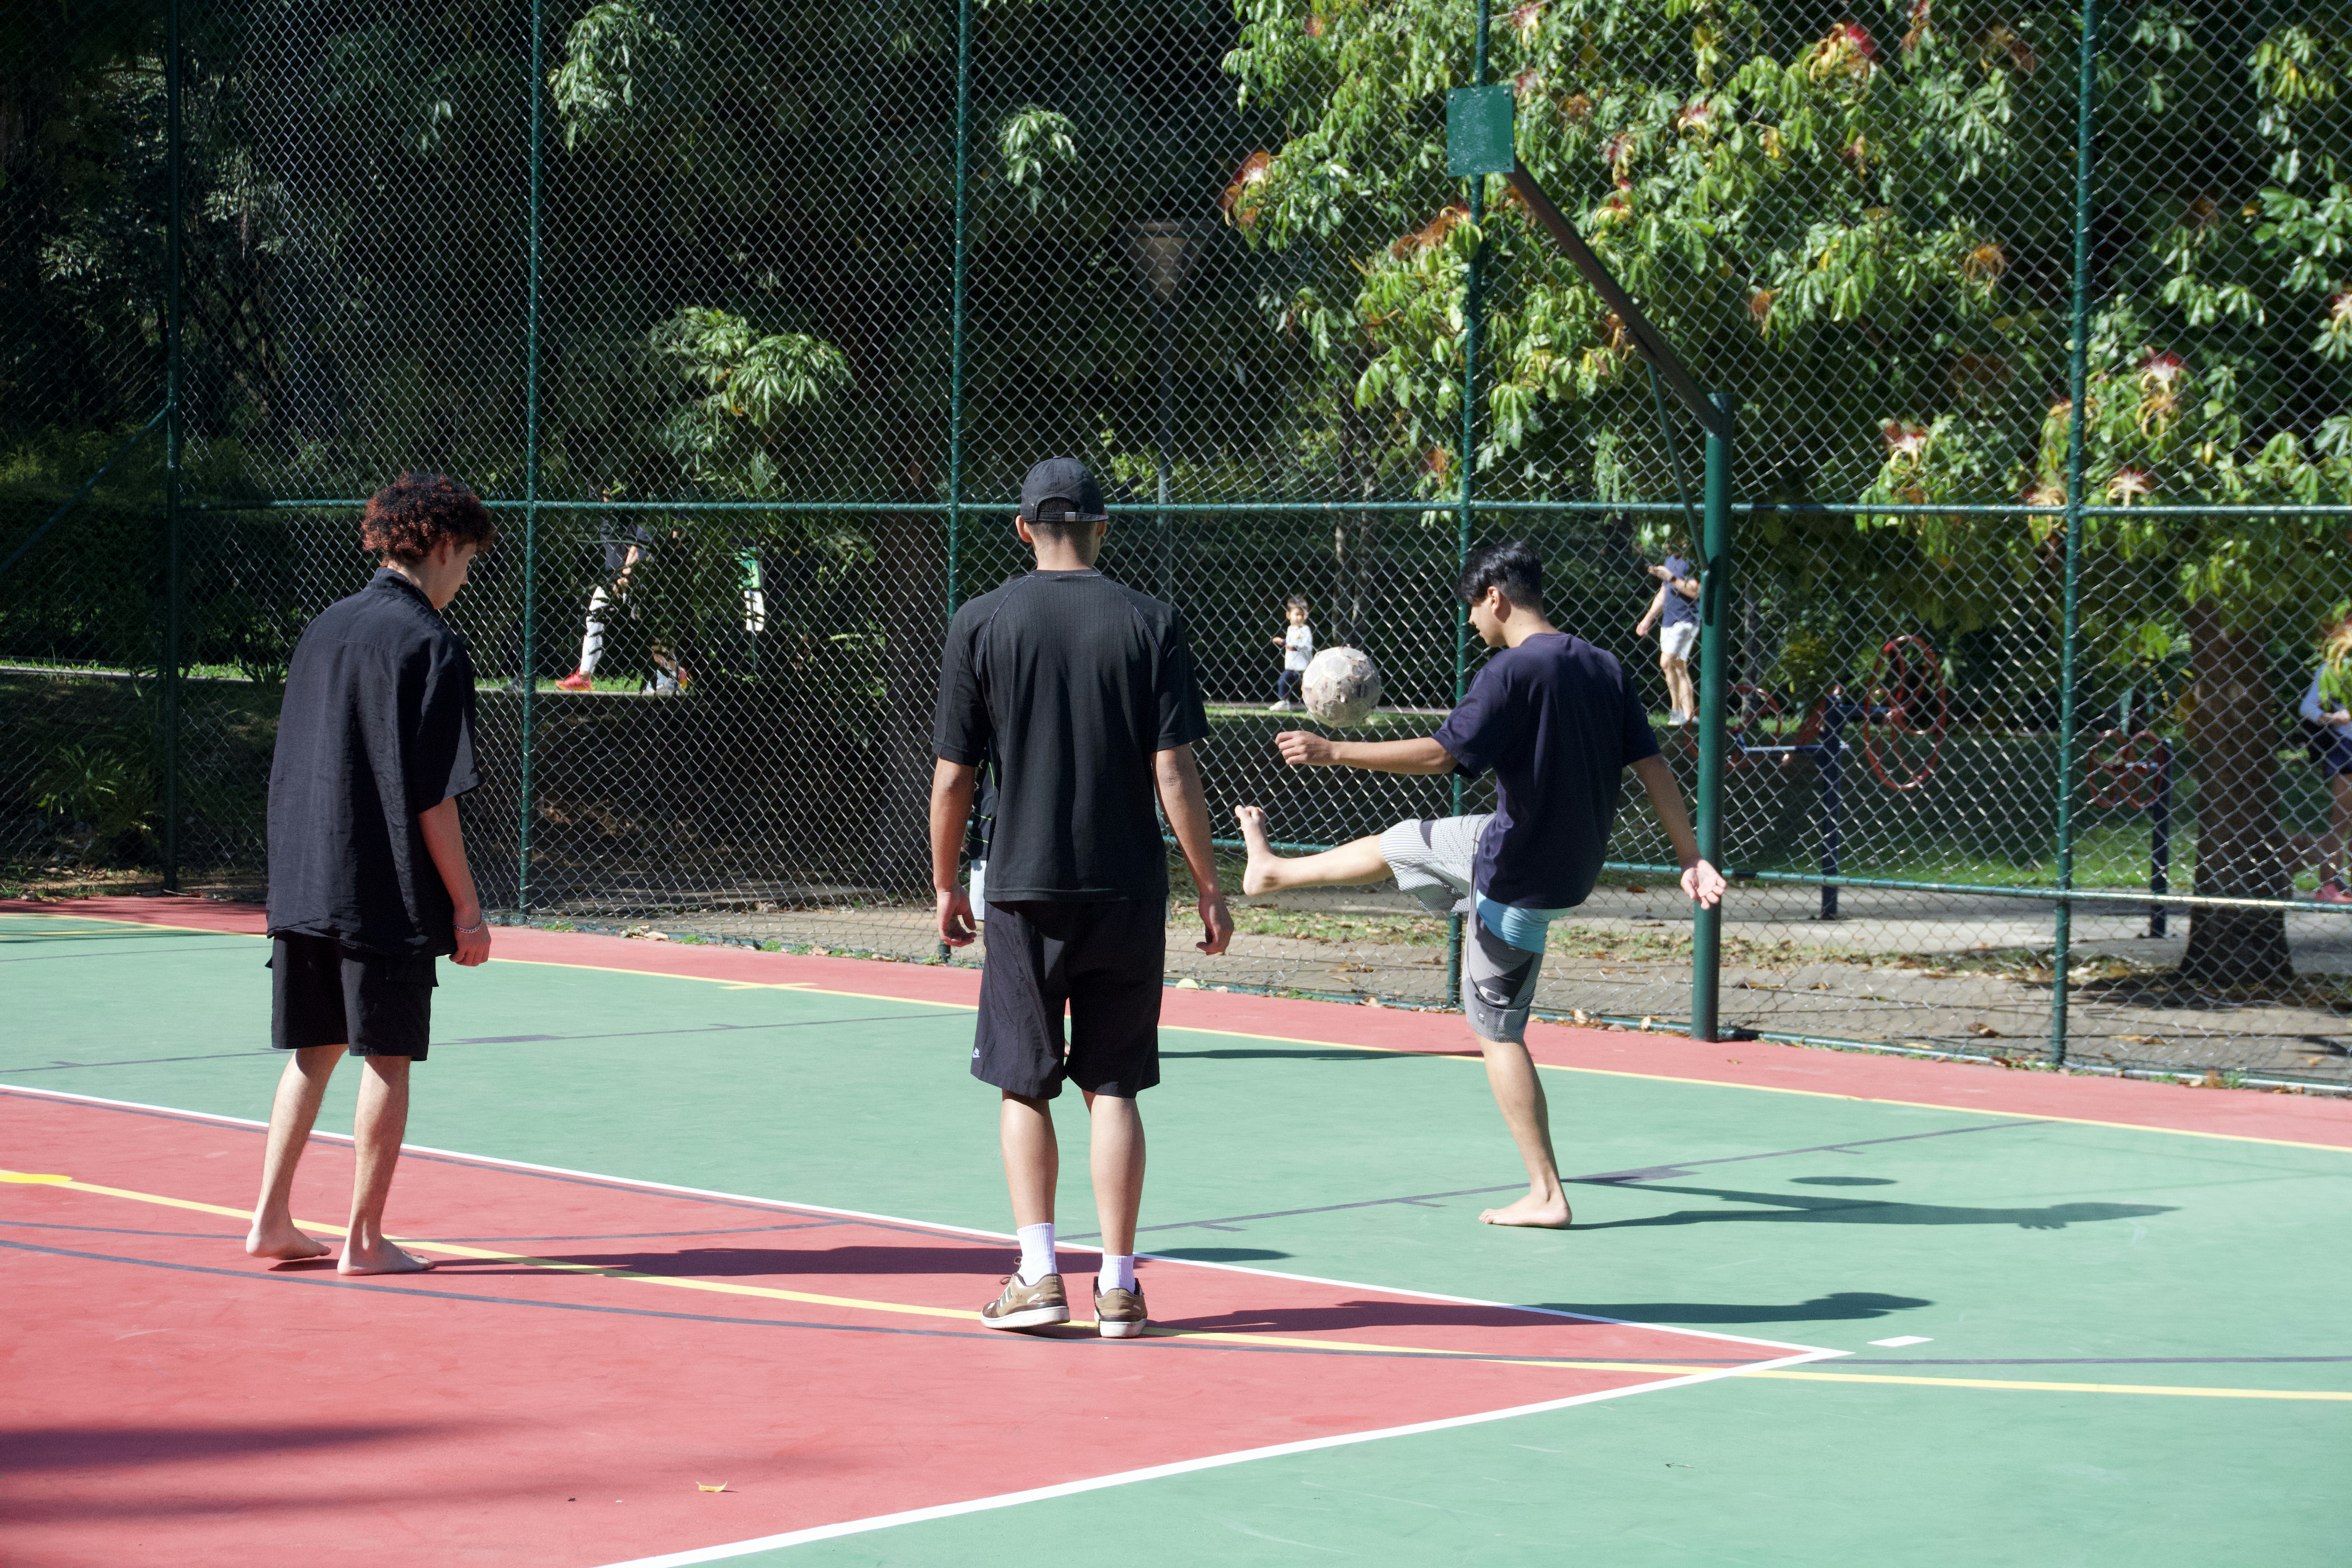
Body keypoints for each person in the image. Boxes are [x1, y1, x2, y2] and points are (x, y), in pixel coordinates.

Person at [1232, 539, 1725, 1229]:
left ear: (1495, 597)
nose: (1471, 624)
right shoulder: (1604, 666)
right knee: (1409, 841)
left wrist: (1333, 750)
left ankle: (1546, 1192)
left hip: (1517, 878)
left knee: (1498, 1031)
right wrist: (1691, 856)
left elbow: (1441, 755)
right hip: (1563, 862)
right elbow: (1654, 769)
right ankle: (1273, 871)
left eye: (1472, 609)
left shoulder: (1509, 673)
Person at [930, 457, 1233, 1338]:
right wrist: (1209, 887)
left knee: (1025, 1085)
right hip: (1129, 887)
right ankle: (1120, 1285)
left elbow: (955, 776)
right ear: (1103, 527)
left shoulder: (981, 621)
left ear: (1024, 528)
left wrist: (947, 882)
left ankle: (1036, 1273)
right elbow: (1173, 769)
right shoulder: (1152, 621)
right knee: (1116, 1084)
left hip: (1023, 889)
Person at [246, 472, 496, 1274]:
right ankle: (363, 1238)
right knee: (386, 1055)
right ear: (445, 546)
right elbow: (434, 796)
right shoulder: (431, 644)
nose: (465, 579)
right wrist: (467, 906)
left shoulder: (325, 627)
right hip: (381, 884)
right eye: (469, 562)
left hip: (305, 874)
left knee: (312, 1049)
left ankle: (270, 1218)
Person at [2299, 616, 2352, 903]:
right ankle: (2328, 886)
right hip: (2348, 748)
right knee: (2341, 819)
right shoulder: (2332, 669)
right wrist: (2332, 717)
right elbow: (2307, 707)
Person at [1633, 546, 1701, 726]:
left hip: (1687, 619)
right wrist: (1647, 620)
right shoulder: (1671, 560)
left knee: (1666, 662)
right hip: (1669, 620)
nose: (1666, 545)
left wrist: (1669, 575)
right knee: (1679, 665)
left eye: (1672, 540)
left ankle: (1677, 712)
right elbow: (1664, 593)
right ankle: (1688, 715)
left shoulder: (1694, 559)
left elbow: (1695, 592)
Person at [1269, 595, 1313, 711]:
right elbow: (1289, 642)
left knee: (1308, 688)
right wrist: (1283, 642)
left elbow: (1308, 646)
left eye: (1302, 615)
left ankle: (1313, 706)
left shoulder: (1305, 630)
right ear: (1288, 615)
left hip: (1304, 667)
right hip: (1291, 666)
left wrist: (1295, 647)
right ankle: (1284, 702)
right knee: (1283, 681)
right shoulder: (1290, 629)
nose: (1300, 618)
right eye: (1297, 615)